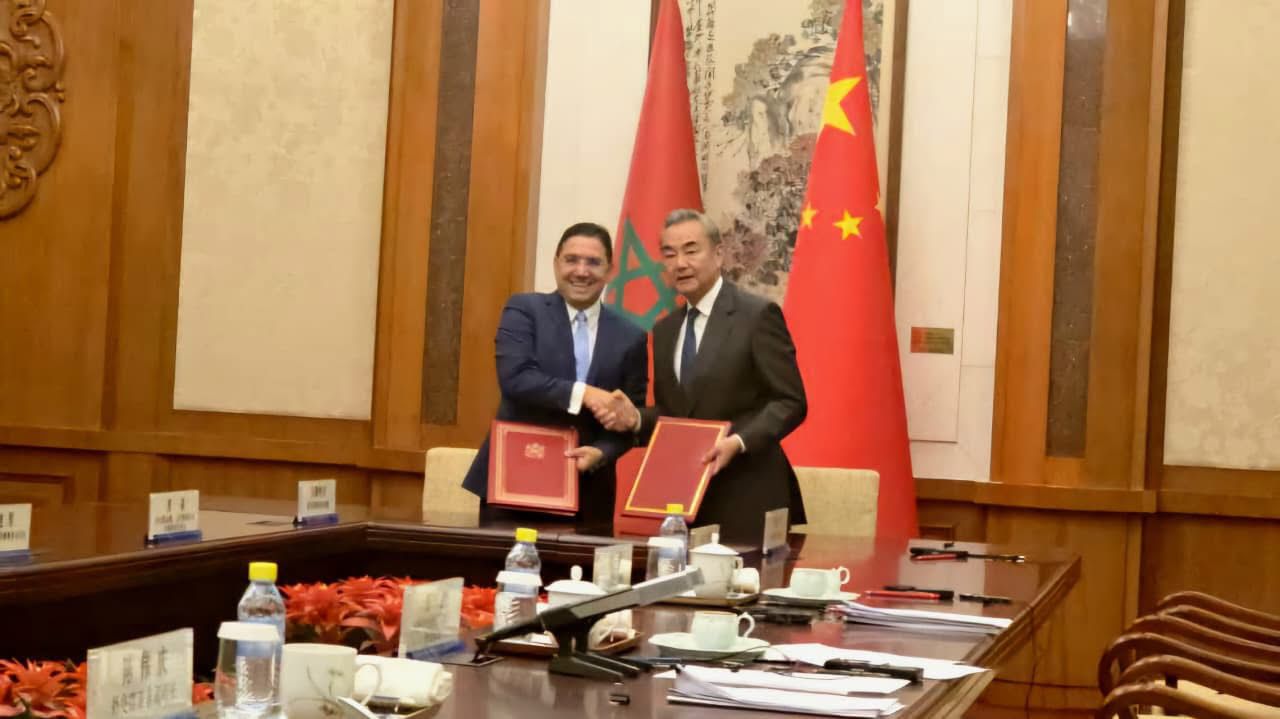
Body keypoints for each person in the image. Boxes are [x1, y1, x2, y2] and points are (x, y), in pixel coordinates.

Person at [595, 209, 807, 542]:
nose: (680, 263)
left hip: (749, 492)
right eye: (669, 254)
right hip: (687, 498)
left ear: (718, 254)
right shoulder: (665, 330)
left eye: (691, 250)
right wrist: (634, 419)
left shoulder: (756, 316)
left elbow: (790, 401)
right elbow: (676, 414)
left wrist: (737, 442)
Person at [461, 222, 648, 531]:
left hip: (589, 491)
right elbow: (515, 379)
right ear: (556, 263)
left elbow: (631, 417)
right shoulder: (524, 310)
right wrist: (585, 393)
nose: (581, 271)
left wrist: (604, 451)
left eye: (593, 262)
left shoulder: (631, 336)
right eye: (572, 260)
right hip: (516, 481)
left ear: (610, 271)